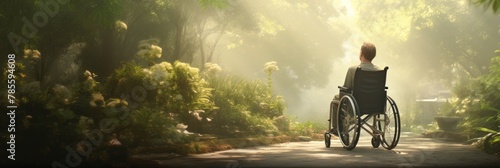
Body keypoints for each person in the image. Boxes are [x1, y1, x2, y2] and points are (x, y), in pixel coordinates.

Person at [330, 42, 382, 135]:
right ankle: (351, 121)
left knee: (336, 99)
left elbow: (346, 88)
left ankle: (337, 128)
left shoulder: (353, 69)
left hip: (356, 103)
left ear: (361, 53)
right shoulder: (379, 71)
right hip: (375, 104)